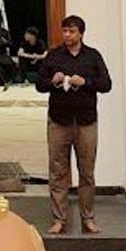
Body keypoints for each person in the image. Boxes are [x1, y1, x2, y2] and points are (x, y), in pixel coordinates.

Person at [35, 15, 112, 236]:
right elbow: (39, 85)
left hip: (86, 121)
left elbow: (106, 84)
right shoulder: (54, 56)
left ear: (81, 34)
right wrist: (53, 81)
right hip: (59, 120)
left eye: (71, 31)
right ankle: (59, 219)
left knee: (86, 172)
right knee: (58, 171)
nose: (67, 35)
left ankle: (88, 218)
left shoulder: (93, 56)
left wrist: (85, 82)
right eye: (65, 31)